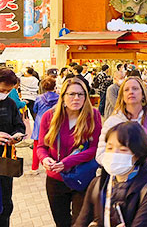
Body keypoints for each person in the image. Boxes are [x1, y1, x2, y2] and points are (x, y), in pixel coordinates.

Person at [37, 77, 102, 227]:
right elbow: (41, 147)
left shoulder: (93, 115)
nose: (76, 98)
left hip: (82, 177)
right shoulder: (50, 116)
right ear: (63, 96)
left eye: (81, 94)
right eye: (71, 94)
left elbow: (94, 149)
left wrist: (66, 162)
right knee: (61, 222)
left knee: (80, 222)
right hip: (56, 179)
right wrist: (45, 159)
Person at [76, 122, 147, 227]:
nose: (114, 154)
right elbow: (81, 222)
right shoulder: (98, 183)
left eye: (123, 149)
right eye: (109, 148)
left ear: (137, 154)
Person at [96, 76, 147, 167]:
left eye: (135, 88)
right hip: (120, 177)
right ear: (122, 96)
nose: (131, 92)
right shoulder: (113, 121)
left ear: (143, 94)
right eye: (126, 90)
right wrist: (120, 159)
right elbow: (100, 154)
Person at [0, 68, 26, 226]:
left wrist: (17, 135)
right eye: (2, 90)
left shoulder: (9, 103)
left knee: (6, 204)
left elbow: (19, 125)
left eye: (9, 91)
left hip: (5, 161)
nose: (5, 93)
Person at [30, 77, 59, 175]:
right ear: (55, 86)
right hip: (55, 123)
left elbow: (35, 110)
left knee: (37, 146)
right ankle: (54, 165)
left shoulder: (39, 98)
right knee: (54, 145)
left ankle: (34, 168)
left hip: (40, 123)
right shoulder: (59, 98)